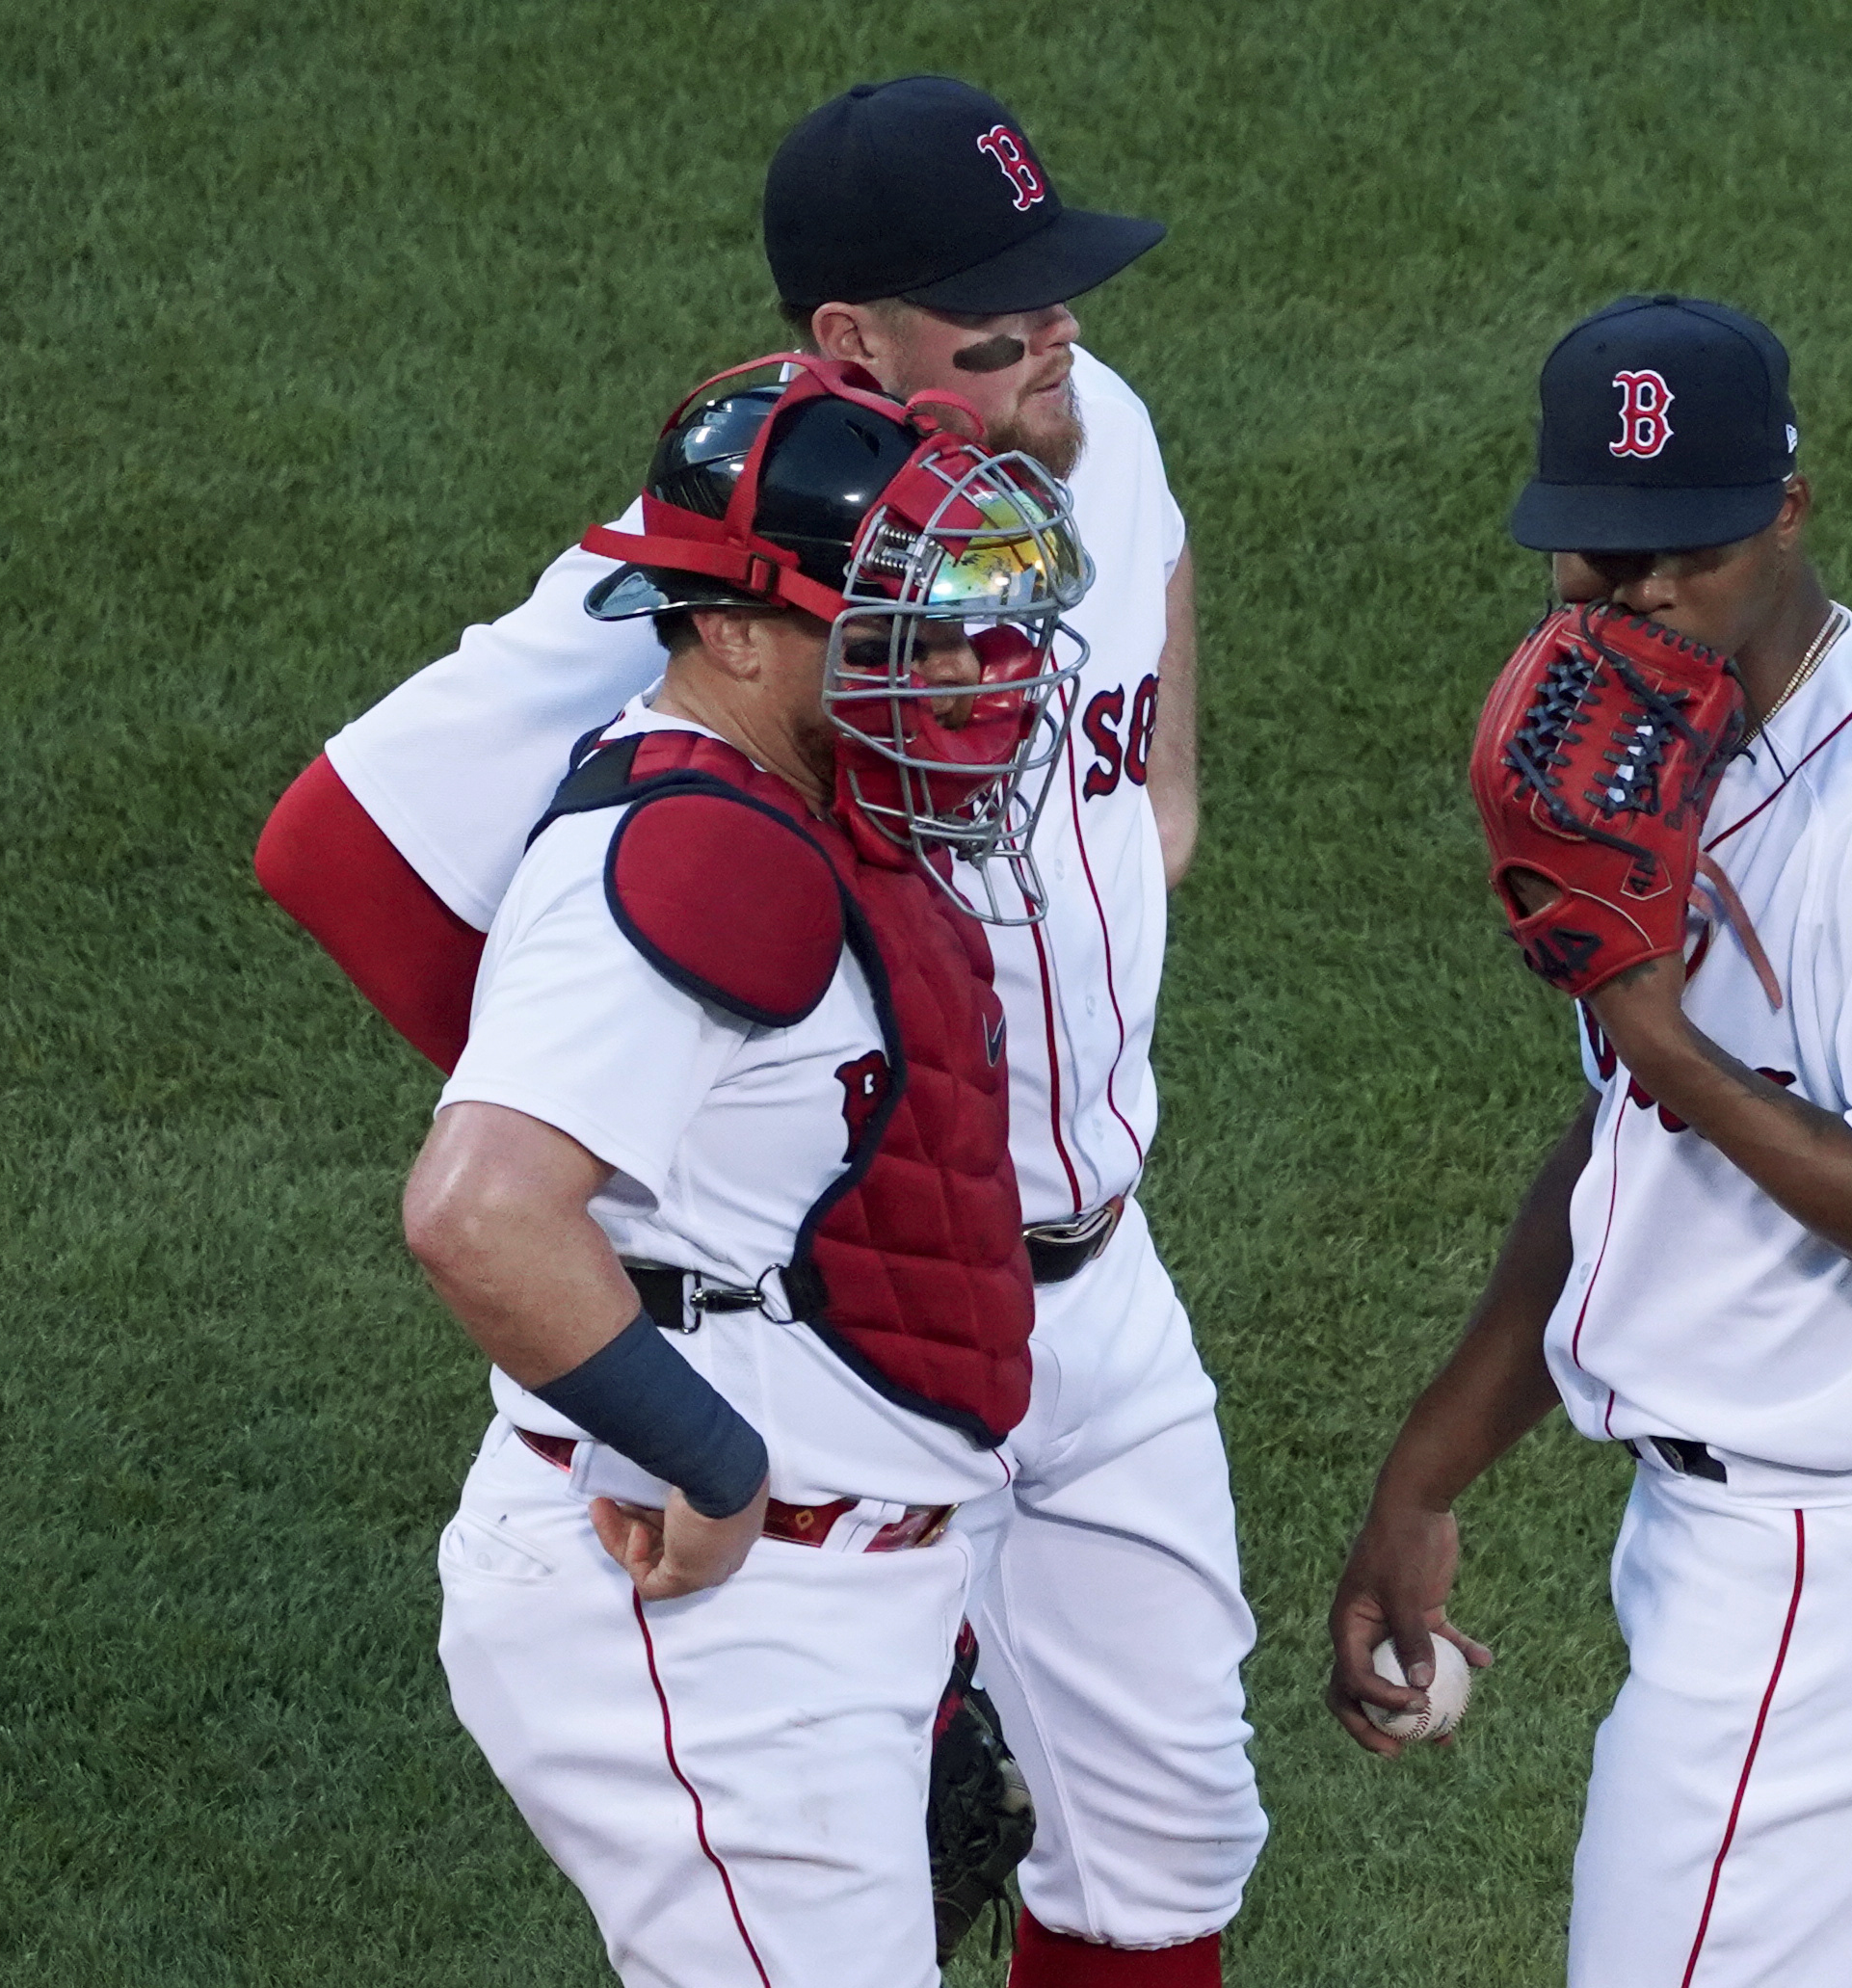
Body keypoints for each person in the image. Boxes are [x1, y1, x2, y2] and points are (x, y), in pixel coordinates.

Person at [256, 77, 1261, 1987]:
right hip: (816, 1322)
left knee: (1171, 1836)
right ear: (852, 346)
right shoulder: (739, 554)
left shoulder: (1095, 435)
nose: (1053, 346)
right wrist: (658, 1141)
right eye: (998, 324)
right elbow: (348, 845)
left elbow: (1156, 770)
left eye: (1065, 300)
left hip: (1090, 1283)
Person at [1326, 295, 1852, 1986]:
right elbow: (1630, 1142)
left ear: (1790, 515)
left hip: (1841, 1579)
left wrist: (1660, 1031)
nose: (1641, 593)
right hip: (1818, 1535)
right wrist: (1427, 1474)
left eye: (1688, 549)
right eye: (1596, 558)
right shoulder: (1648, 764)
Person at [409, 357, 1085, 1985]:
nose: (955, 670)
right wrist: (711, 1463)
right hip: (711, 1613)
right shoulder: (697, 851)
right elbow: (478, 1211)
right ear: (732, 629)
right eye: (895, 631)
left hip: (824, 1602)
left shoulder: (818, 806)